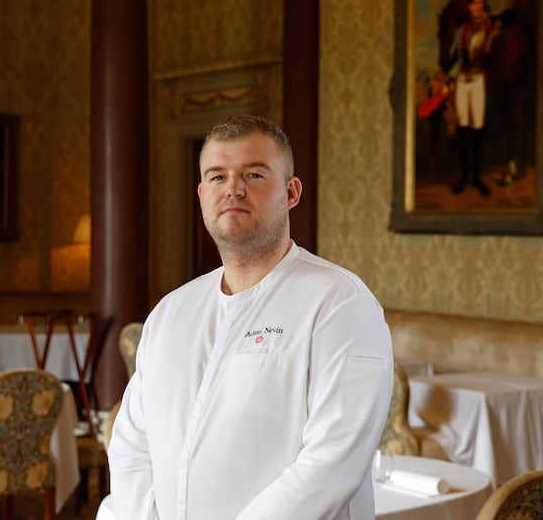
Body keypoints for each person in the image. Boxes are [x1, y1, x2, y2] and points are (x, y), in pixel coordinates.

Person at [108, 115, 393, 519]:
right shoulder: (171, 311)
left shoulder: (341, 303)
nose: (233, 189)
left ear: (291, 192)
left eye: (254, 174)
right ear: (201, 194)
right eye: (217, 177)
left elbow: (332, 463)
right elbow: (132, 445)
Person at [446, 0, 501, 196]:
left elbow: (491, 55)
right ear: (469, 6)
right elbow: (454, 57)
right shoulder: (462, 30)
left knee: (478, 129)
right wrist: (442, 75)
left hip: (478, 81)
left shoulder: (490, 27)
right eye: (474, 2)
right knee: (462, 128)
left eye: (481, 1)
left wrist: (492, 33)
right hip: (462, 81)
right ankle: (463, 176)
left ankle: (476, 178)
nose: (478, 5)